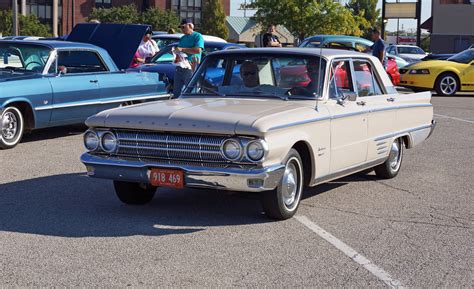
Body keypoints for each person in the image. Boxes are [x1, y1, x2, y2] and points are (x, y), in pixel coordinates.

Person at [173, 18, 204, 97]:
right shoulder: (182, 38)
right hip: (180, 66)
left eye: (183, 27)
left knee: (191, 91)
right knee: (177, 92)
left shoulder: (197, 36)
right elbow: (179, 52)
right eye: (181, 28)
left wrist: (183, 49)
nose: (182, 29)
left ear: (190, 26)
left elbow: (198, 50)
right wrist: (176, 56)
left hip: (191, 66)